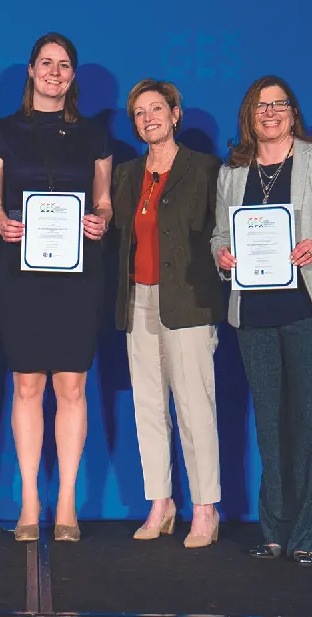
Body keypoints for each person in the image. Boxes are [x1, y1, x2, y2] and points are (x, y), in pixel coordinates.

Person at [211, 75, 312, 566]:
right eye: (262, 106)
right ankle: (274, 530)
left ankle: (310, 533)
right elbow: (220, 233)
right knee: (270, 426)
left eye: (281, 104)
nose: (272, 112)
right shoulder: (233, 172)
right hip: (255, 315)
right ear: (249, 116)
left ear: (293, 113)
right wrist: (222, 256)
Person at [0, 32, 112, 542]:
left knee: (72, 386)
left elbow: (104, 202)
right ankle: (30, 504)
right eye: (46, 63)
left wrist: (100, 220)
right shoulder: (2, 132)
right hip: (20, 271)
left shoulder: (95, 135)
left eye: (63, 65)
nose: (54, 72)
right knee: (27, 385)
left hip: (79, 274)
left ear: (72, 76)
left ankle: (66, 506)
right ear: (31, 70)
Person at [110, 80, 225, 549]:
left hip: (189, 300)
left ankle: (205, 508)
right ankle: (160, 502)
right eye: (139, 113)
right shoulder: (126, 173)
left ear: (176, 114)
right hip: (138, 299)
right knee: (149, 407)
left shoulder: (205, 169)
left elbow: (222, 234)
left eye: (157, 109)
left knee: (195, 408)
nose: (148, 118)